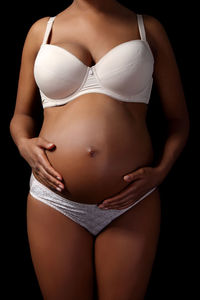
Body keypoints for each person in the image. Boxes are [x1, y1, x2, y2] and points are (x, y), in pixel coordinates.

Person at [10, 0, 190, 299]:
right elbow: (21, 116)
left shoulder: (147, 29)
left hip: (132, 203)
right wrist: (23, 143)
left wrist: (160, 172)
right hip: (54, 201)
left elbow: (178, 120)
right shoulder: (43, 30)